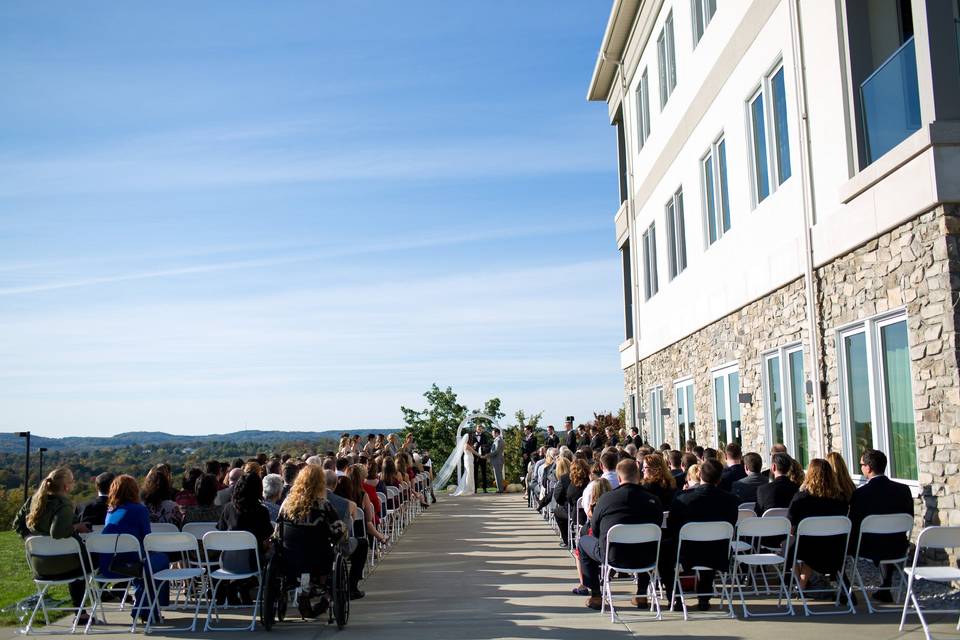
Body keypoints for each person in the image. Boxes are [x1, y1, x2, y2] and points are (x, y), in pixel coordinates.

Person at [577, 459, 663, 610]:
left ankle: (596, 595)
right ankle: (641, 594)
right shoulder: (653, 500)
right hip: (647, 556)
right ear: (638, 476)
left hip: (613, 555)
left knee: (583, 542)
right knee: (647, 543)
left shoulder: (605, 500)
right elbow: (657, 526)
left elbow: (596, 531)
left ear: (618, 478)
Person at [14, 467, 92, 623]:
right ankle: (81, 613)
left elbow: (17, 524)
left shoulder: (33, 501)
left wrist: (33, 540)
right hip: (67, 568)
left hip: (40, 566)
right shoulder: (63, 505)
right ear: (66, 486)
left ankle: (81, 612)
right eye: (72, 481)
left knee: (75, 558)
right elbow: (57, 533)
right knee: (85, 561)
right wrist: (77, 527)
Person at [662, 458, 740, 611]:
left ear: (700, 475)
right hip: (718, 552)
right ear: (719, 478)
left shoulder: (682, 497)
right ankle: (704, 597)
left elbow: (672, 525)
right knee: (710, 543)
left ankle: (675, 597)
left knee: (663, 551)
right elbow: (731, 523)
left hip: (686, 553)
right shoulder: (731, 500)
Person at [276, 465, 348, 618]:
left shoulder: (287, 504)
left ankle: (302, 593)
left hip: (290, 559)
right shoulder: (324, 506)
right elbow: (338, 530)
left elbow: (278, 531)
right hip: (319, 560)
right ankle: (327, 597)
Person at [100, 474, 170, 623]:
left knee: (147, 567)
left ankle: (147, 610)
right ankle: (147, 609)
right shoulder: (139, 510)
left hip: (108, 567)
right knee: (161, 560)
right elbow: (147, 539)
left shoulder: (110, 512)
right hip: (130, 566)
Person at [848, 449, 914, 602]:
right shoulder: (903, 490)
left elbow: (854, 523)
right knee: (886, 535)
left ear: (868, 468)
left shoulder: (861, 494)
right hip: (898, 546)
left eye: (861, 465)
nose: (861, 468)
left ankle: (845, 589)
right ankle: (886, 585)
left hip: (869, 548)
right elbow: (909, 517)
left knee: (846, 543)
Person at [787, 458, 850, 589]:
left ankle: (800, 584)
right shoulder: (841, 498)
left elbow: (790, 528)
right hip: (835, 547)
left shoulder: (801, 498)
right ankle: (801, 584)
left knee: (789, 546)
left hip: (807, 548)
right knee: (812, 544)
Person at [217, 472, 273, 605]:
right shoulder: (261, 511)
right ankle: (243, 585)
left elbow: (221, 530)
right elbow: (267, 536)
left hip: (228, 560)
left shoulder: (228, 509)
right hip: (253, 561)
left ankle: (238, 586)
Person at [554, 459, 588, 548]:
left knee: (557, 512)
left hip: (577, 515)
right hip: (589, 514)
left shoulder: (571, 484)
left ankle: (567, 541)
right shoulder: (591, 481)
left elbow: (561, 497)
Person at [472, 424, 490, 493]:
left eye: (481, 428)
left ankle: (484, 488)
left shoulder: (485, 436)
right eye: (478, 428)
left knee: (484, 473)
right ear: (476, 429)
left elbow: (487, 446)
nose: (479, 429)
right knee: (475, 473)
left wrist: (486, 455)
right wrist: (474, 445)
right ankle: (475, 488)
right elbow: (470, 446)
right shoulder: (473, 436)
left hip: (483, 457)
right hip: (475, 457)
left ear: (482, 429)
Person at [488, 427, 506, 493]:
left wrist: (488, 455)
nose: (492, 434)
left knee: (498, 475)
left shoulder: (498, 440)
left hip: (497, 460)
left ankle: (500, 489)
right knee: (498, 474)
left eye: (493, 433)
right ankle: (500, 489)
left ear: (497, 433)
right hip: (497, 459)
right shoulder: (498, 439)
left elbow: (496, 451)